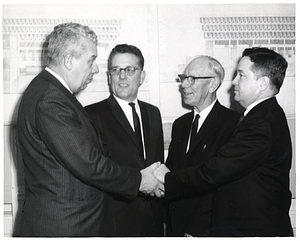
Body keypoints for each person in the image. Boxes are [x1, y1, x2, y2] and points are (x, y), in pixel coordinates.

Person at [16, 23, 163, 237]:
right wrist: (140, 180)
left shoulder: (52, 93)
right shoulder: (50, 100)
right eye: (91, 60)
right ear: (69, 61)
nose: (95, 69)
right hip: (66, 226)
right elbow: (89, 163)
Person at [155, 47, 293, 237]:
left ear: (262, 83)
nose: (233, 82)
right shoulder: (263, 116)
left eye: (241, 76)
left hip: (254, 231)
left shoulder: (260, 122)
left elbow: (216, 170)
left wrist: (167, 179)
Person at [85, 44, 164, 237]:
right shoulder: (92, 114)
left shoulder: (153, 113)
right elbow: (99, 171)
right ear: (109, 76)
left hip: (153, 219)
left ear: (142, 76)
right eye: (116, 70)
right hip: (115, 222)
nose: (122, 76)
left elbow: (157, 163)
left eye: (130, 70)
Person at [164, 56, 241, 236]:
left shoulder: (232, 124)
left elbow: (221, 186)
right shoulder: (180, 125)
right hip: (176, 227)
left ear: (213, 84)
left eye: (192, 79)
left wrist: (197, 230)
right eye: (183, 78)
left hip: (206, 230)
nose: (183, 85)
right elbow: (173, 173)